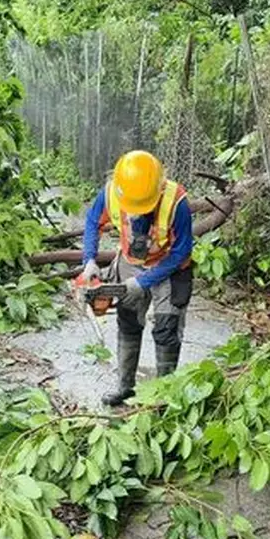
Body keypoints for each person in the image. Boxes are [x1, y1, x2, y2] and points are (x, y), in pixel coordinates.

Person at [80, 150, 194, 407]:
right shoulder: (112, 192)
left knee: (166, 328)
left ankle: (164, 396)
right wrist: (89, 260)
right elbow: (91, 222)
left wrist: (143, 282)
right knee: (128, 321)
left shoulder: (176, 201)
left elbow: (181, 252)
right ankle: (124, 387)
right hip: (131, 262)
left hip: (171, 267)